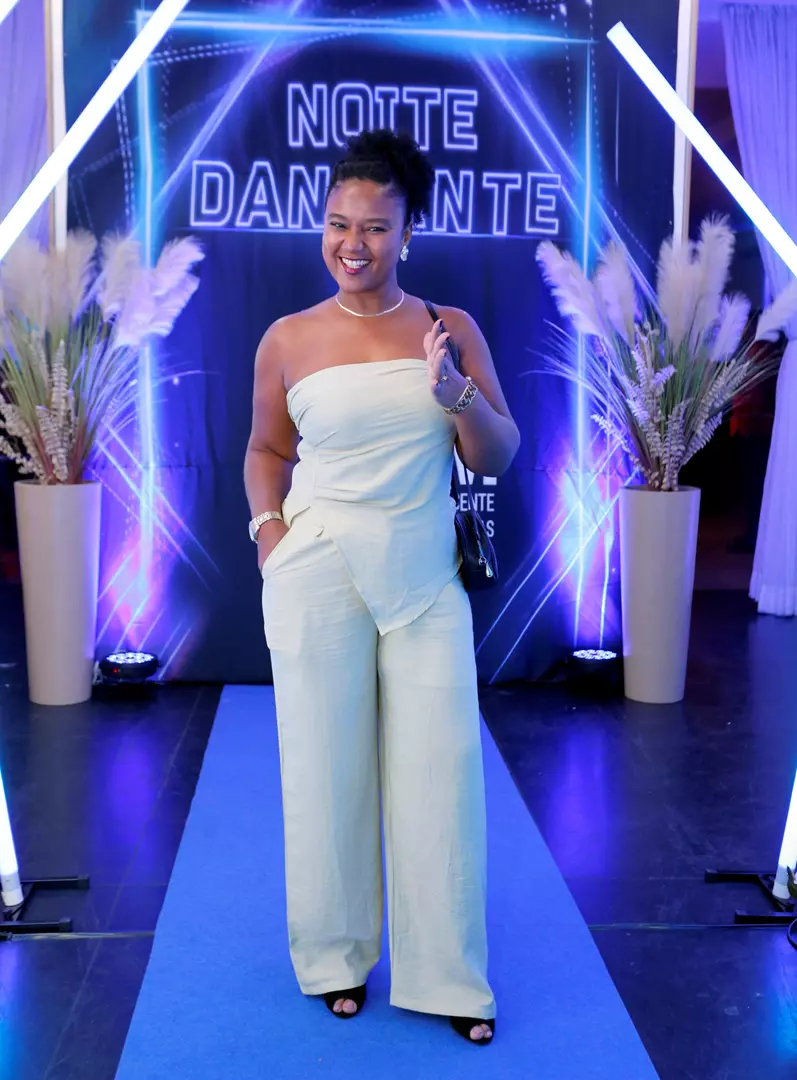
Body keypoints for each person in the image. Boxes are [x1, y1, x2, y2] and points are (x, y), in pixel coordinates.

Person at [244, 128, 520, 1045]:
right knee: (322, 772)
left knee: (443, 780)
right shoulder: (287, 338)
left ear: (408, 232)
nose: (352, 243)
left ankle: (449, 977)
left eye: (373, 226)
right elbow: (265, 449)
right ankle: (334, 957)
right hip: (316, 570)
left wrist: (453, 394)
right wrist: (269, 534)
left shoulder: (449, 329)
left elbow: (498, 454)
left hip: (424, 578)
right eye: (337, 223)